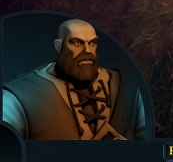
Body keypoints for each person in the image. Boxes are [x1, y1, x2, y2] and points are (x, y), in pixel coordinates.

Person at [1, 19, 145, 140]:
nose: (87, 50)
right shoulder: (19, 97)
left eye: (92, 43)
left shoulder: (126, 86)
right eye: (77, 43)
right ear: (59, 46)